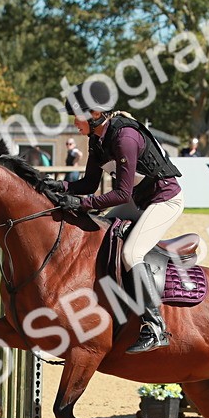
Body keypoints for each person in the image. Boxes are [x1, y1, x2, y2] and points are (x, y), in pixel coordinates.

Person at [53, 79, 185, 354]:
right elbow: (88, 184)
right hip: (139, 201)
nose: (74, 123)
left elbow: (121, 194)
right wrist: (53, 186)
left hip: (164, 201)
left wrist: (81, 203)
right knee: (98, 233)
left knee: (131, 253)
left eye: (76, 116)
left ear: (94, 113)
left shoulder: (124, 138)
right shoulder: (97, 140)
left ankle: (155, 326)